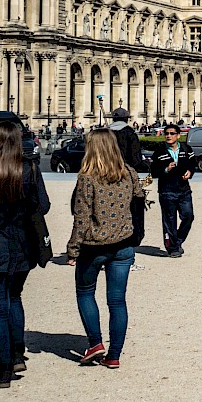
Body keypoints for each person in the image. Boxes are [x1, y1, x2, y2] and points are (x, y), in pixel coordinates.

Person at [65, 130, 145, 369]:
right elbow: (139, 198)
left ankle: (96, 343)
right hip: (122, 245)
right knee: (117, 301)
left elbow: (81, 218)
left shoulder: (87, 177)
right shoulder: (128, 173)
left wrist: (72, 249)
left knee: (85, 293)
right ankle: (114, 355)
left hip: (93, 246)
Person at [0, 124, 50, 388]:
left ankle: (3, 369)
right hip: (23, 244)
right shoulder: (29, 168)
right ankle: (17, 355)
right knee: (14, 297)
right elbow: (44, 206)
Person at [150, 123, 195, 258]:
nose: (168, 136)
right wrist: (166, 169)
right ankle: (172, 248)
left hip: (183, 190)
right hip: (167, 190)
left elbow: (193, 164)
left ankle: (178, 240)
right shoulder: (159, 152)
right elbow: (153, 172)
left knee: (188, 216)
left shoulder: (187, 149)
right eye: (167, 134)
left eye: (171, 133)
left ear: (178, 135)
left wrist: (190, 172)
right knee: (169, 221)